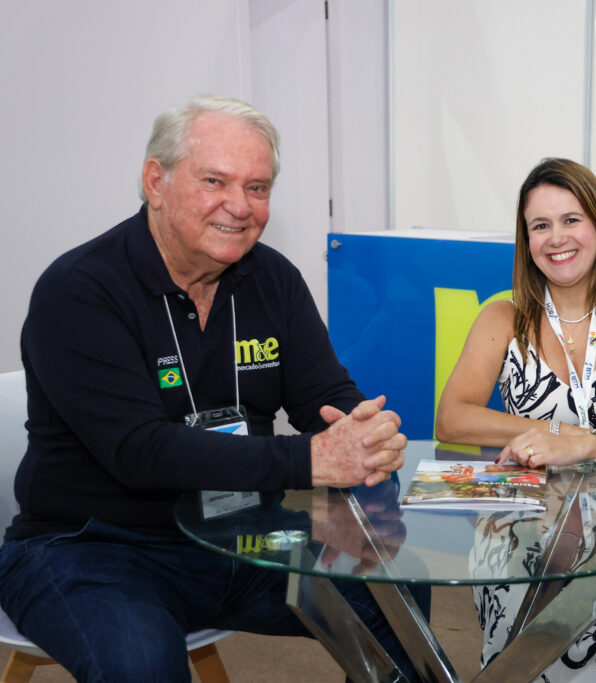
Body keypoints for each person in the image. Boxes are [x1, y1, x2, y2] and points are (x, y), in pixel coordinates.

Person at [0, 95, 427, 682]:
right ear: (156, 181)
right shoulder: (78, 291)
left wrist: (363, 432)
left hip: (243, 534)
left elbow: (324, 395)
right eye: (214, 180)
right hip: (94, 546)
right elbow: (141, 452)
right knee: (142, 665)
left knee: (398, 598)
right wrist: (313, 460)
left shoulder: (271, 278)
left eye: (258, 187)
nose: (240, 206)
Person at [435, 158, 596, 680]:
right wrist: (553, 434)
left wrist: (587, 444)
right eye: (540, 225)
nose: (557, 238)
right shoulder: (501, 317)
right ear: (525, 239)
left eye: (571, 219)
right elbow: (451, 419)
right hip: (524, 509)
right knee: (516, 585)